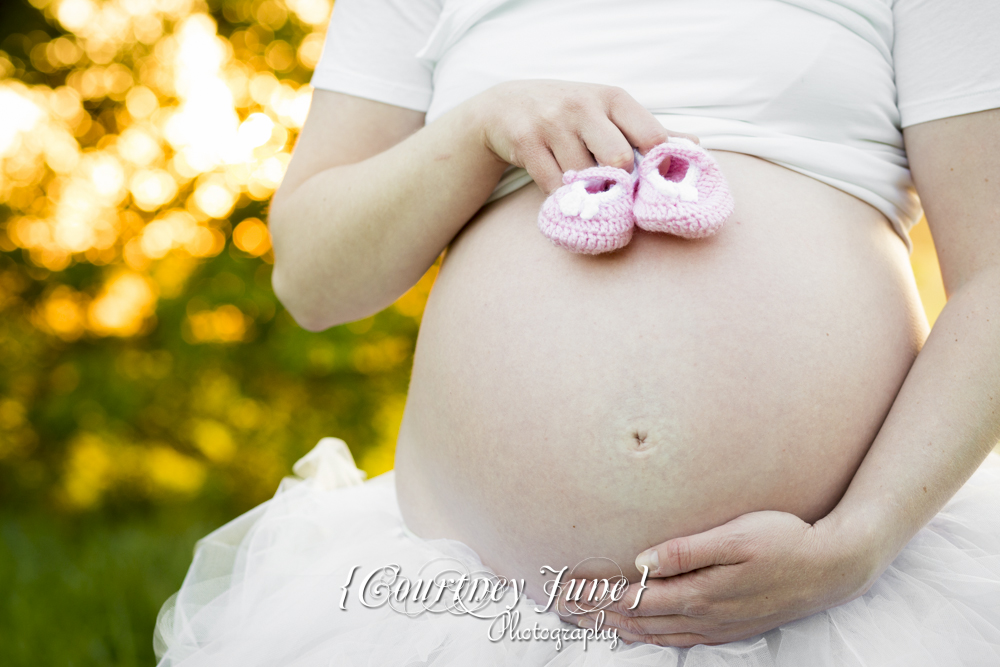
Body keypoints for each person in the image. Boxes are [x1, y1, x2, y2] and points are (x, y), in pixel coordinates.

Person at [155, 0, 1000, 664]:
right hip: (469, 613)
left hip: (848, 608)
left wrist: (857, 542)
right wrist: (480, 128)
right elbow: (311, 279)